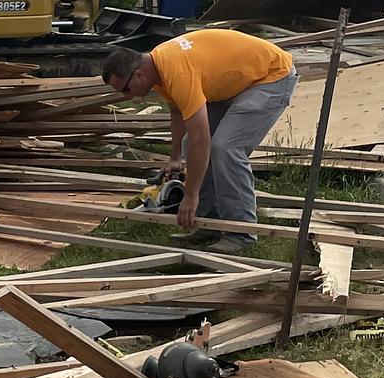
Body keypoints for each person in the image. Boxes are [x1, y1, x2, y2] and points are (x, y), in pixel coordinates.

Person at [101, 29, 296, 248]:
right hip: (236, 83)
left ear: (139, 74)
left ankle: (241, 233)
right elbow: (177, 111)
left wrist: (191, 195)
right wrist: (175, 157)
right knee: (189, 145)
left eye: (126, 90)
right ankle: (208, 224)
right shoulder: (158, 68)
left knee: (225, 148)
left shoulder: (176, 71)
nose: (128, 97)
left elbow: (201, 137)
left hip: (271, 76)